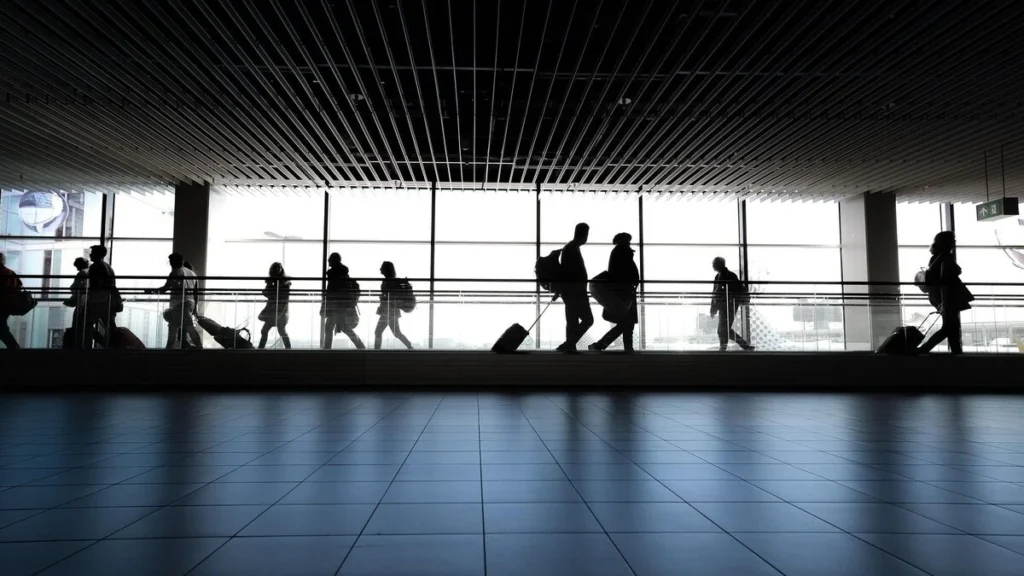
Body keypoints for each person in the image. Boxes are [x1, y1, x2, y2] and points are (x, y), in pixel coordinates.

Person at [919, 231, 973, 354]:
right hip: (948, 297)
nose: (955, 241)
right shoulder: (946, 258)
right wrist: (945, 302)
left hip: (938, 296)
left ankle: (956, 351)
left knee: (952, 326)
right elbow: (946, 281)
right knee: (950, 327)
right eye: (953, 239)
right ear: (947, 242)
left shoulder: (935, 257)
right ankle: (924, 349)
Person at [590, 233, 639, 352]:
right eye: (628, 240)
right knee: (627, 323)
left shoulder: (618, 252)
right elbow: (625, 273)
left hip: (623, 292)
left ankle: (602, 345)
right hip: (624, 293)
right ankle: (603, 345)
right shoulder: (623, 252)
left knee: (626, 323)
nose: (629, 243)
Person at [147, 253, 203, 349]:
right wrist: (194, 309)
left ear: (172, 262)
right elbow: (195, 294)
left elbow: (165, 289)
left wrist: (152, 291)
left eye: (171, 262)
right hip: (190, 303)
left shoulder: (175, 272)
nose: (170, 264)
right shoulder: (192, 274)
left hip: (181, 304)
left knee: (188, 327)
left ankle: (199, 347)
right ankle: (169, 348)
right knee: (174, 327)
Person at [557, 223, 594, 352]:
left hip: (570, 291)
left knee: (572, 320)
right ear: (584, 234)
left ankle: (569, 345)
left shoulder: (570, 248)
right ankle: (569, 343)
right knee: (587, 319)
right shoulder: (572, 249)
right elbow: (571, 272)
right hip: (576, 291)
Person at [74, 245, 120, 348]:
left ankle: (90, 347)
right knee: (110, 325)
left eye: (92, 252)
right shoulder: (108, 267)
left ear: (97, 254)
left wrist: (89, 299)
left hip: (98, 301)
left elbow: (96, 285)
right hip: (108, 300)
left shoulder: (96, 266)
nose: (90, 254)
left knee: (85, 325)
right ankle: (112, 346)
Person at [322, 253, 365, 350]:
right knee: (341, 327)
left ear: (333, 260)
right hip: (342, 305)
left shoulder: (334, 274)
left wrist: (326, 306)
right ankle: (361, 346)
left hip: (336, 305)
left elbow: (331, 292)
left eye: (330, 259)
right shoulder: (342, 273)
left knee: (331, 327)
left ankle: (327, 350)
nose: (328, 261)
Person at [711, 256, 754, 352]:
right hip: (724, 306)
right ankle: (744, 347)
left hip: (729, 306)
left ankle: (724, 348)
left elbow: (717, 293)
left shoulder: (728, 276)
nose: (713, 265)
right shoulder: (720, 276)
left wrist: (713, 308)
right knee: (724, 330)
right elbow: (715, 293)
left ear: (719, 264)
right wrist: (713, 308)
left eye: (714, 264)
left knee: (723, 330)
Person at [374, 261, 413, 350]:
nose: (380, 269)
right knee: (396, 333)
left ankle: (376, 351)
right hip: (392, 310)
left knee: (378, 332)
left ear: (386, 269)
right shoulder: (392, 281)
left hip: (388, 310)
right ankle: (410, 346)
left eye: (382, 267)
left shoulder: (388, 281)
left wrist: (383, 297)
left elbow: (389, 295)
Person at [258, 262, 292, 349]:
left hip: (279, 310)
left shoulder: (283, 283)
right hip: (275, 310)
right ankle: (288, 349)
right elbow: (266, 293)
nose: (277, 270)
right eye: (276, 268)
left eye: (278, 268)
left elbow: (283, 298)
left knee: (278, 331)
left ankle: (261, 348)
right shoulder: (278, 282)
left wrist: (270, 287)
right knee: (278, 331)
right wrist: (269, 285)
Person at [0, 253, 22, 349]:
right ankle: (14, 347)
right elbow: (19, 285)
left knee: (2, 327)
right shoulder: (9, 273)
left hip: (2, 303)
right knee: (2, 326)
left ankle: (14, 347)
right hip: (7, 304)